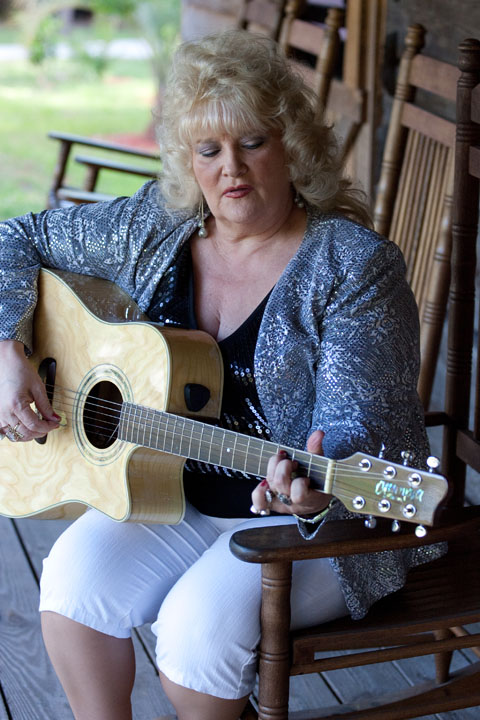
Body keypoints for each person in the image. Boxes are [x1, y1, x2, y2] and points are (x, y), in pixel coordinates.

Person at [0, 30, 444, 720]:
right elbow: (14, 237)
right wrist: (8, 349)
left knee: (195, 636)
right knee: (71, 587)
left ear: (291, 145)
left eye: (252, 142)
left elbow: (361, 423)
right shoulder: (159, 226)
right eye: (208, 150)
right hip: (169, 487)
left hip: (316, 524)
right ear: (188, 160)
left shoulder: (353, 265)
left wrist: (314, 491)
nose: (230, 167)